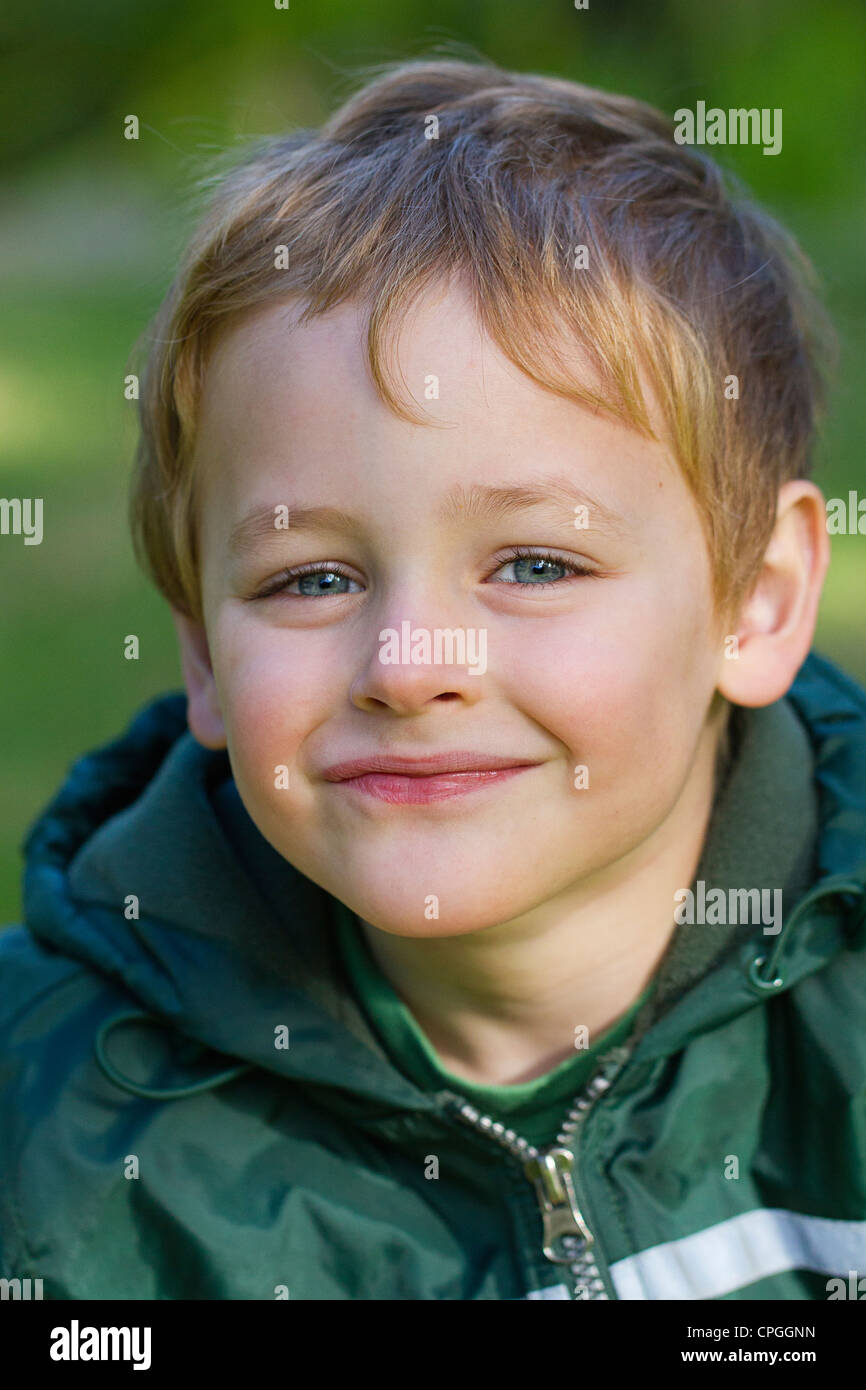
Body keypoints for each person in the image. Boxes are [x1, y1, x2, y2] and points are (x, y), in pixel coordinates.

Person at [2, 56, 864, 1301]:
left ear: (757, 599)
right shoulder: (51, 1146)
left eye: (531, 562)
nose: (409, 669)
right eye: (310, 579)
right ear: (199, 649)